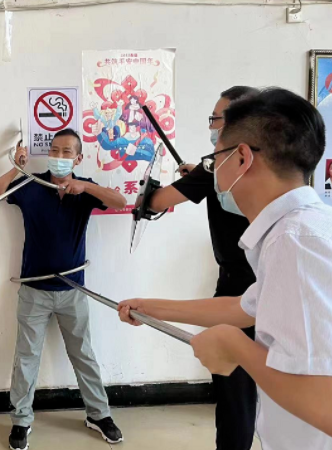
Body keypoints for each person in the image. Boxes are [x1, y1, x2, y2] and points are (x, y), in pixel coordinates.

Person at [119, 88, 332, 449]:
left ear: (242, 158)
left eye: (215, 158)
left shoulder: (294, 242)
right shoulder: (300, 228)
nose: (212, 168)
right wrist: (150, 308)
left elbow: (325, 406)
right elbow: (243, 308)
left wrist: (236, 347)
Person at [0, 129, 127, 450]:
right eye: (54, 150)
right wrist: (16, 166)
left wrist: (85, 186)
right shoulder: (31, 184)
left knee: (83, 354)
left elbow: (121, 201)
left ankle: (99, 414)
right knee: (26, 357)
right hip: (34, 291)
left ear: (78, 158)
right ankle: (21, 420)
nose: (59, 156)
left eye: (67, 152)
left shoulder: (84, 189)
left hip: (73, 291)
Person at [144, 86, 260, 450]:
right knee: (253, 385)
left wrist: (148, 193)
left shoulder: (216, 168)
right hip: (267, 285)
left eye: (215, 118)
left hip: (237, 290)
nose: (211, 126)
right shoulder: (256, 164)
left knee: (234, 390)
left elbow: (157, 201)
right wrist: (198, 176)